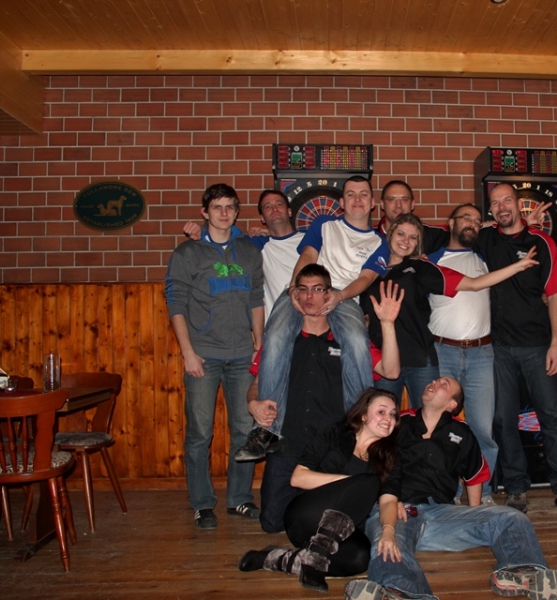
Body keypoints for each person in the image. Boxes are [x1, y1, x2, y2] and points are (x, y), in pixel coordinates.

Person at [344, 376, 557, 600]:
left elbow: (475, 475)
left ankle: (523, 572)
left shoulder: (462, 432)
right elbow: (367, 457)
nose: (434, 382)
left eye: (444, 384)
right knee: (387, 543)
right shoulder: (398, 422)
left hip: (441, 515)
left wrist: (475, 514)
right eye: (434, 380)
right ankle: (400, 592)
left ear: (452, 404)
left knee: (512, 518)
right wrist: (388, 499)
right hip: (396, 511)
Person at [236, 175, 389, 461]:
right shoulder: (324, 224)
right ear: (341, 202)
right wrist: (295, 288)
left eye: (363, 194)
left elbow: (366, 278)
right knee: (275, 338)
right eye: (351, 194)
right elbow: (307, 255)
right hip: (306, 287)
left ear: (372, 203)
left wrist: (339, 297)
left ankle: (358, 429)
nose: (357, 199)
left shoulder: (379, 242)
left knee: (357, 343)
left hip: (344, 297)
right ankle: (266, 430)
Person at [247, 263, 403, 533]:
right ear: (295, 295)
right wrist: (253, 403)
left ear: (329, 294)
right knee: (271, 523)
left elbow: (391, 371)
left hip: (331, 445)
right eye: (303, 289)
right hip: (289, 438)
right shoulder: (281, 341)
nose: (310, 296)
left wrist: (387, 324)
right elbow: (257, 383)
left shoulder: (350, 342)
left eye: (318, 289)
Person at [475, 183, 557, 514]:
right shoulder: (485, 239)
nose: (501, 207)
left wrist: (556, 344)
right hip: (498, 349)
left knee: (552, 416)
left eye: (507, 200)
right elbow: (455, 229)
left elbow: (555, 296)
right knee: (503, 420)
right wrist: (486, 222)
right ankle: (516, 488)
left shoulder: (541, 242)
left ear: (518, 204)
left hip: (538, 347)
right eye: (495, 203)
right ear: (491, 210)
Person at [164, 183, 265, 530]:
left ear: (237, 212)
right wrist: (188, 353)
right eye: (217, 207)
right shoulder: (187, 253)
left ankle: (239, 498)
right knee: (200, 433)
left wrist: (259, 341)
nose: (224, 213)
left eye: (230, 207)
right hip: (203, 356)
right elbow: (175, 303)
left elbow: (256, 298)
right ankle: (202, 504)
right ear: (204, 212)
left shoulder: (249, 251)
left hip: (242, 356)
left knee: (244, 430)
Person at [361, 213, 538, 408]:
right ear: (390, 234)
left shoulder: (421, 267)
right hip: (384, 360)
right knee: (382, 415)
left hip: (420, 359)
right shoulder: (370, 272)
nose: (406, 241)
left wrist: (517, 266)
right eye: (401, 234)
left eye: (413, 237)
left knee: (429, 417)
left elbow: (474, 284)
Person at [239, 389, 402, 594]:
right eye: (381, 411)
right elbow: (298, 477)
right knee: (370, 483)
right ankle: (315, 559)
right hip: (306, 517)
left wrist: (388, 531)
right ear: (363, 415)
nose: (388, 419)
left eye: (393, 414)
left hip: (342, 533)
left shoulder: (391, 456)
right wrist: (353, 483)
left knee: (360, 558)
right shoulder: (336, 433)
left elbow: (389, 500)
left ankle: (277, 558)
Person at [426, 203, 499, 504]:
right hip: (443, 351)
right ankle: (446, 493)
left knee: (483, 430)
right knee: (441, 427)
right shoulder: (431, 260)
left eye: (478, 221)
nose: (472, 223)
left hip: (482, 353)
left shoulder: (484, 259)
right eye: (466, 218)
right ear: (451, 222)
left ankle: (483, 493)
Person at [183, 189, 304, 323]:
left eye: (279, 204)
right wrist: (201, 231)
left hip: (313, 321)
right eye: (267, 207)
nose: (274, 209)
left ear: (289, 211)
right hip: (278, 325)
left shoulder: (310, 240)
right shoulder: (256, 244)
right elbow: (222, 234)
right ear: (262, 218)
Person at [376, 180, 449, 255]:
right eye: (391, 199)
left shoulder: (435, 236)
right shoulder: (371, 237)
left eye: (404, 200)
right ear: (382, 204)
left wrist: (428, 260)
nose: (398, 205)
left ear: (412, 204)